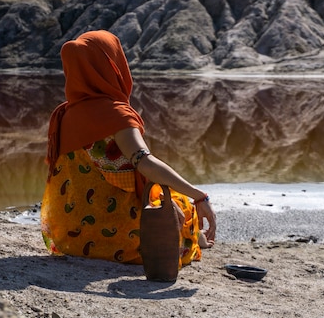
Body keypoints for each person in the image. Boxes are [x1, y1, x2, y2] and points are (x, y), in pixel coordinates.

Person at [41, 30, 216, 267]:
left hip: (69, 236)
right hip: (118, 240)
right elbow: (144, 163)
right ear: (112, 66)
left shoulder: (63, 114)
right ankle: (196, 237)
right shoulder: (116, 114)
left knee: (165, 199)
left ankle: (196, 235)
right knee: (182, 204)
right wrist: (199, 195)